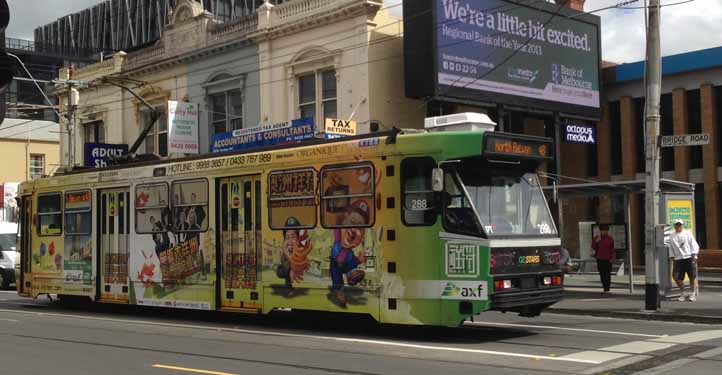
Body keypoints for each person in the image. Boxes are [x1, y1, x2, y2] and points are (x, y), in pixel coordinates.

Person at [669, 219, 700, 301]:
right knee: (676, 277)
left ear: (682, 225)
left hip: (689, 257)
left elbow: (693, 244)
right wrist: (672, 257)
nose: (678, 226)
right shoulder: (672, 235)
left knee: (692, 276)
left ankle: (693, 293)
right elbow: (671, 248)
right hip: (678, 259)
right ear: (674, 225)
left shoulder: (687, 233)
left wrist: (694, 255)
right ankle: (683, 292)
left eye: (680, 225)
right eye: (677, 224)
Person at [591, 224, 615, 293]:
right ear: (600, 231)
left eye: (606, 231)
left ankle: (607, 288)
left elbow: (612, 249)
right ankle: (604, 286)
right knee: (602, 273)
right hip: (600, 258)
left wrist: (612, 258)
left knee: (608, 274)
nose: (604, 232)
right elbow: (593, 247)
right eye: (603, 231)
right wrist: (596, 241)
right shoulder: (597, 238)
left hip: (608, 259)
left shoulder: (610, 239)